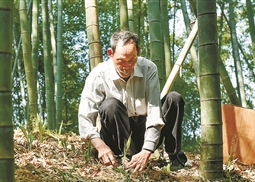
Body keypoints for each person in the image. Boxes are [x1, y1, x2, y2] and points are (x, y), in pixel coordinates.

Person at [78, 30, 187, 173]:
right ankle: (121, 156)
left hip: (144, 129)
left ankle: (172, 156)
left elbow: (154, 112)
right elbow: (85, 118)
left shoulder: (148, 68)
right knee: (110, 105)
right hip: (115, 132)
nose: (127, 66)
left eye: (132, 60)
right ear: (110, 53)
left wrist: (147, 150)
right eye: (121, 61)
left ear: (138, 52)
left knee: (174, 98)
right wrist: (100, 146)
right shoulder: (98, 74)